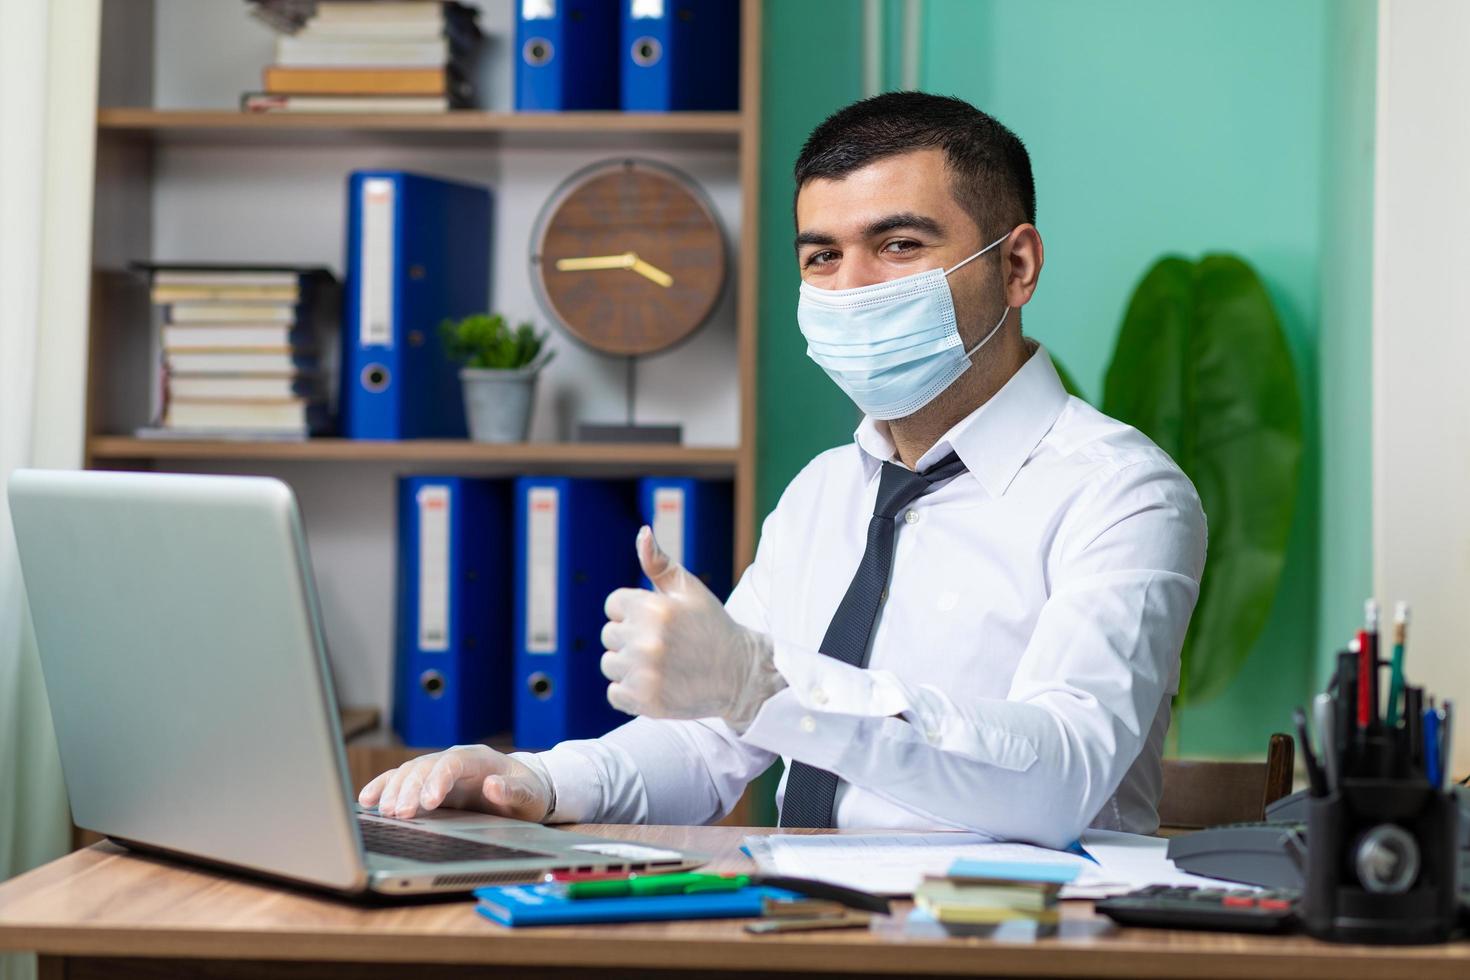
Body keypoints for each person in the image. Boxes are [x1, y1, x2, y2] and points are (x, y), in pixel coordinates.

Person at [360, 92, 1206, 847]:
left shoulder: (1122, 493)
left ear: (1015, 266)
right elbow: (714, 742)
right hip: (797, 921)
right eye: (822, 257)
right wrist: (532, 782)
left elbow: (1058, 777)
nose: (852, 287)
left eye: (899, 244)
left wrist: (764, 681)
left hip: (1017, 940)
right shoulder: (823, 493)